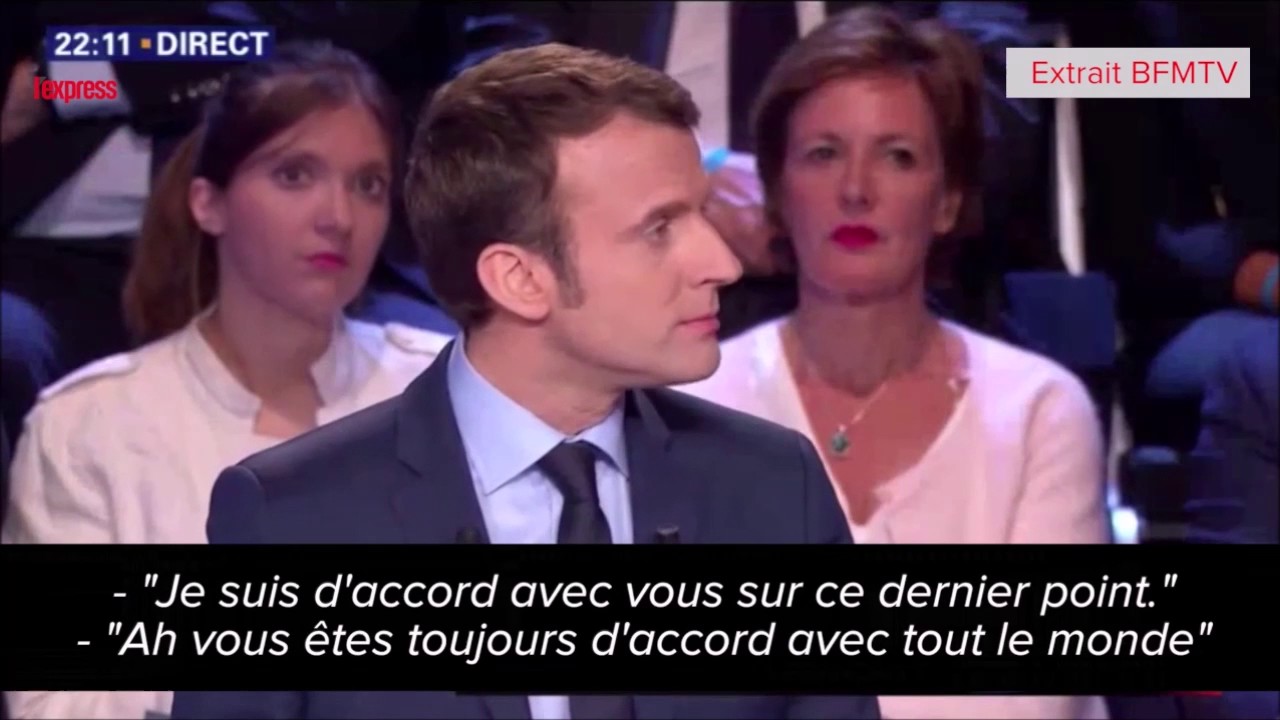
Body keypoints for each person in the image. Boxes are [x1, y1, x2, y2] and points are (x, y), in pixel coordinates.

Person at [170, 43, 878, 720]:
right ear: (520, 278)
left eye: (703, 213)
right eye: (659, 228)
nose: (721, 263)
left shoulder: (775, 491)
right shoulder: (292, 524)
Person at [675, 7, 1108, 718]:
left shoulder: (1039, 412)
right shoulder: (690, 407)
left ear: (948, 201)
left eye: (897, 156)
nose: (856, 189)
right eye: (823, 154)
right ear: (776, 191)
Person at [2, 41, 453, 720]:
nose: (338, 216)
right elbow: (56, 702)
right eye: (295, 175)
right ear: (208, 203)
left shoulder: (442, 390)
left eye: (368, 185)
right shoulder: (88, 427)